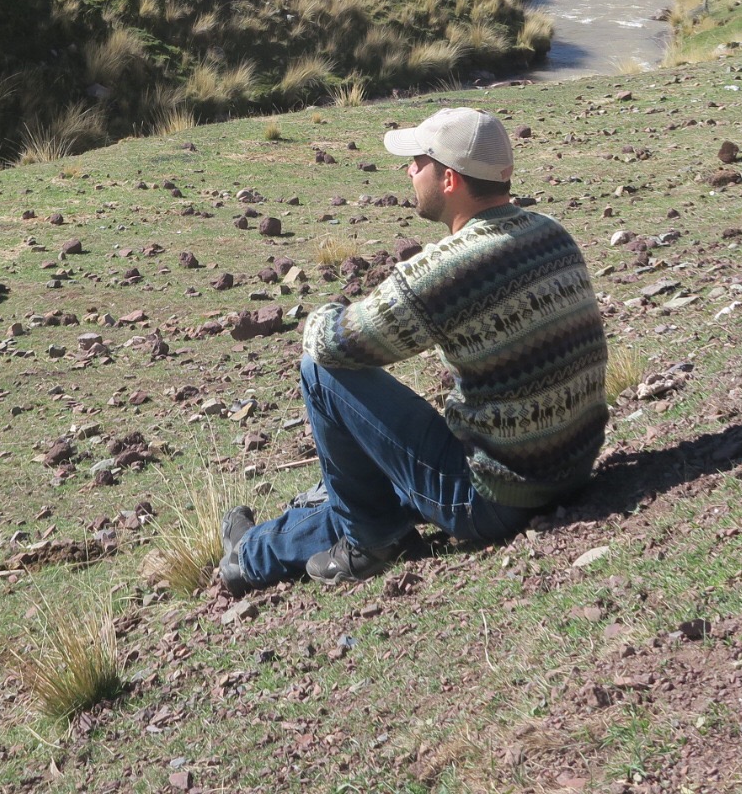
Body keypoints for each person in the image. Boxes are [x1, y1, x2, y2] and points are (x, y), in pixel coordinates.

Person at [220, 106, 608, 589]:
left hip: (493, 497)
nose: (409, 171)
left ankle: (368, 543)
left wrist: (326, 309)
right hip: (571, 469)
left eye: (418, 162)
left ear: (449, 179)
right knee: (381, 489)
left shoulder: (447, 268)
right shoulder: (551, 232)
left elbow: (332, 343)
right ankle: (251, 554)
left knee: (319, 371)